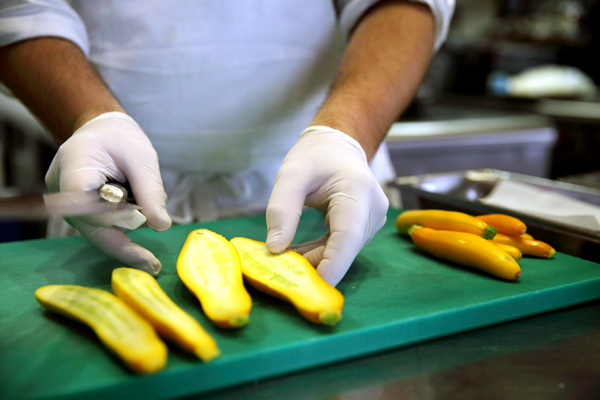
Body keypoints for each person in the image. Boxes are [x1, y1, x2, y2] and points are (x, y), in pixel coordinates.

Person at [0, 0, 454, 286]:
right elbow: (20, 10)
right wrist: (90, 120)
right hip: (114, 196)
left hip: (327, 186)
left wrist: (346, 135)